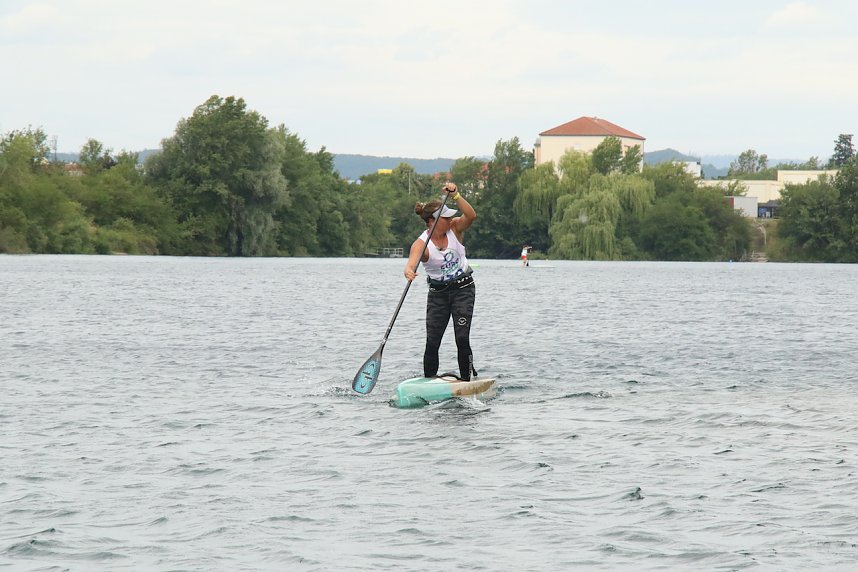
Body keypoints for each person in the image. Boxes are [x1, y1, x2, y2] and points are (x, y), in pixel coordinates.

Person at [404, 182, 478, 381]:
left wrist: (456, 195)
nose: (449, 219)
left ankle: (466, 381)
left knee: (462, 338)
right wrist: (409, 271)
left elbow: (471, 216)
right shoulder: (422, 244)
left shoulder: (455, 229)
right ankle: (429, 382)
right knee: (432, 342)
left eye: (449, 216)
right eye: (444, 217)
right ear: (431, 221)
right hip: (438, 295)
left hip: (463, 289)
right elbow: (411, 263)